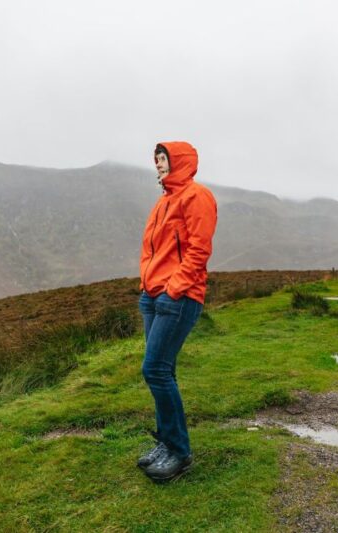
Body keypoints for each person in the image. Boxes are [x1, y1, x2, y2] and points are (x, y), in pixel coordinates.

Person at [136, 141, 218, 483]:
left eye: (164, 158)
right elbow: (150, 250)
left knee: (154, 369)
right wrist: (147, 285)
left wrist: (174, 288)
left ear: (179, 161)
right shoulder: (163, 201)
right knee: (164, 371)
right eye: (156, 159)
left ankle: (179, 452)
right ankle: (166, 444)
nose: (158, 164)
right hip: (153, 296)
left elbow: (199, 249)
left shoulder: (197, 196)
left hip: (178, 297)